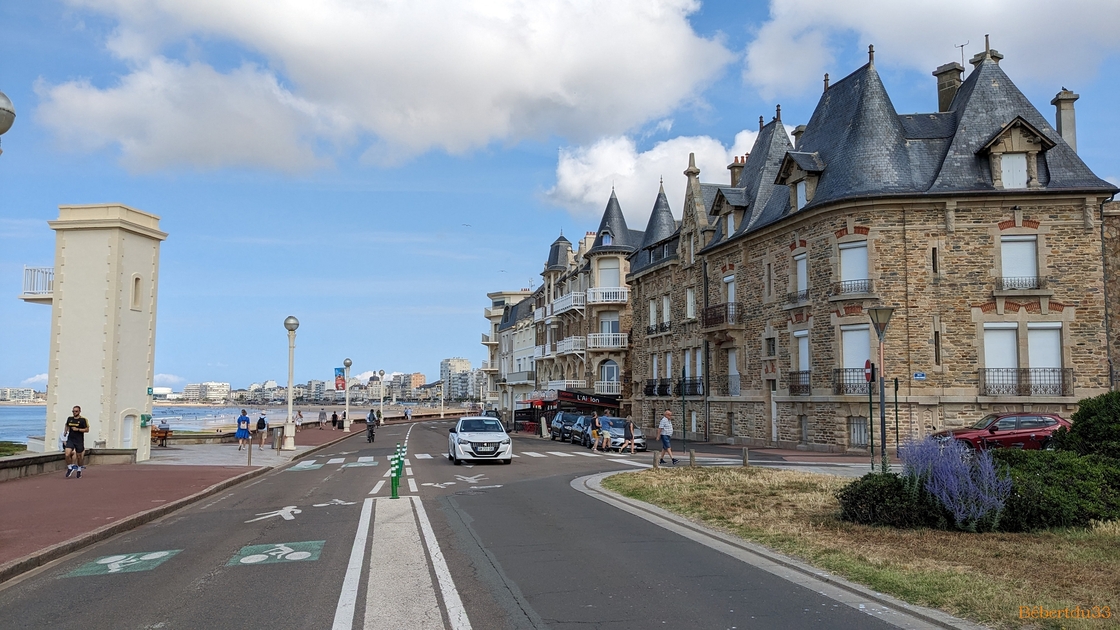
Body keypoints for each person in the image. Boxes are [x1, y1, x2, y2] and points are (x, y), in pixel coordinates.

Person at [63, 405, 90, 478]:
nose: (74, 413)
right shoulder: (70, 418)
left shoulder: (83, 420)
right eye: (73, 411)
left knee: (79, 457)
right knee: (67, 454)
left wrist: (77, 429)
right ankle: (69, 468)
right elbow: (66, 425)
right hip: (71, 439)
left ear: (79, 411)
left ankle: (79, 470)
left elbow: (87, 430)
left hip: (79, 440)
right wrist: (65, 431)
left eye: (76, 411)